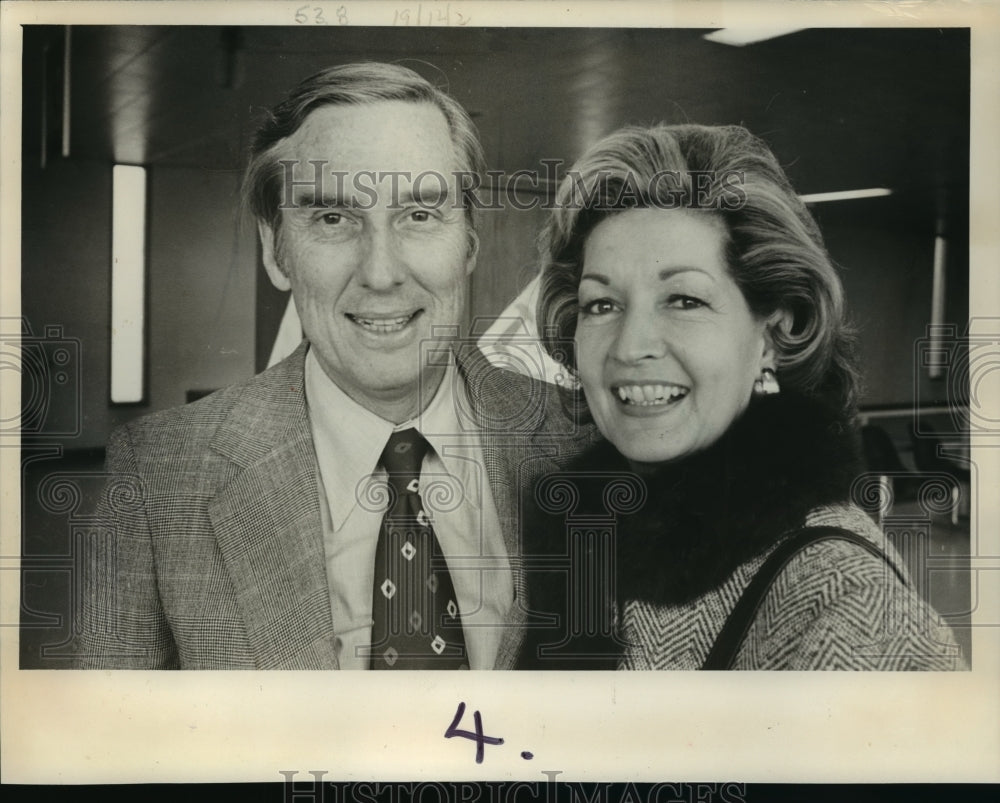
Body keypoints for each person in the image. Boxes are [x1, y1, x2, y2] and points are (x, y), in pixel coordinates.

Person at [74, 62, 593, 670]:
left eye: (420, 215)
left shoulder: (582, 441)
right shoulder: (160, 474)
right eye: (332, 219)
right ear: (277, 252)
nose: (381, 273)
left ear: (469, 243)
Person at [517, 123, 966, 670]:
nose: (630, 347)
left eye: (683, 300)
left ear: (776, 333)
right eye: (601, 305)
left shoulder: (856, 615)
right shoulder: (564, 546)